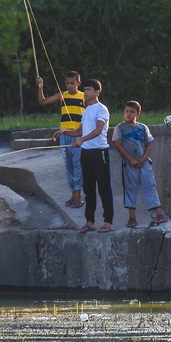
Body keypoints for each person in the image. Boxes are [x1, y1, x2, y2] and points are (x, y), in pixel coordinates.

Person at [110, 101, 169, 228]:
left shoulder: (143, 127)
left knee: (150, 186)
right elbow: (118, 145)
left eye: (132, 112)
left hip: (144, 163)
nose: (129, 114)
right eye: (127, 111)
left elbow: (148, 144)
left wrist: (143, 159)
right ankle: (132, 217)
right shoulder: (120, 128)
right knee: (130, 188)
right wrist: (131, 159)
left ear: (138, 114)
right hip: (129, 164)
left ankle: (159, 213)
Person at [70, 79, 115, 233]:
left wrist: (81, 140)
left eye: (88, 89)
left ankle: (108, 222)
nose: (85, 92)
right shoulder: (86, 110)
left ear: (97, 92)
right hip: (86, 153)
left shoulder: (102, 109)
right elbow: (79, 131)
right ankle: (90, 221)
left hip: (99, 152)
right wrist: (64, 132)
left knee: (103, 188)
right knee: (88, 189)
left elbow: (98, 129)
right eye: (85, 89)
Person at [36, 71, 84, 208]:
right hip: (64, 135)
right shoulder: (62, 95)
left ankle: (78, 194)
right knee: (68, 166)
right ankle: (73, 193)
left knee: (77, 165)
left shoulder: (83, 96)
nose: (69, 86)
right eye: (67, 83)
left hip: (78, 134)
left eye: (72, 83)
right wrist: (40, 87)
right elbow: (42, 101)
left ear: (78, 83)